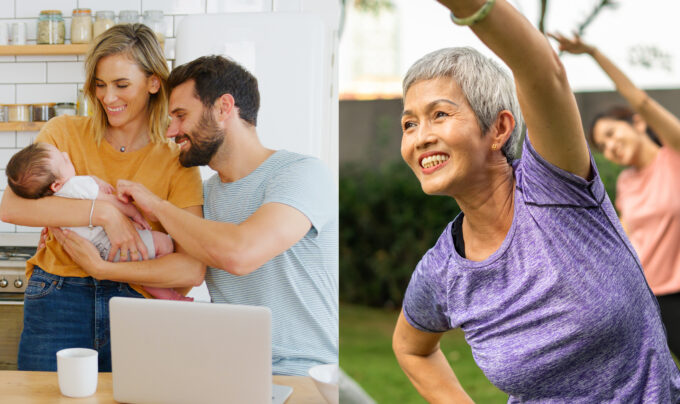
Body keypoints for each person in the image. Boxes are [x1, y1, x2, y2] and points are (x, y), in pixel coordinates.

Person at [391, 0, 680, 402]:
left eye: (439, 114)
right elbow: (410, 348)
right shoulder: (442, 271)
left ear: (499, 129)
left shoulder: (555, 190)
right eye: (409, 123)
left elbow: (541, 70)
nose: (420, 136)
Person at [53, 55, 341, 378]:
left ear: (223, 108)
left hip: (306, 374)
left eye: (180, 115)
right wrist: (80, 226)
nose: (171, 130)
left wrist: (158, 206)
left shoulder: (301, 175)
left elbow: (240, 254)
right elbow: (182, 275)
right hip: (231, 375)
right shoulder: (204, 196)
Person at [0, 24, 205, 372]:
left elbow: (191, 268)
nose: (108, 97)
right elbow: (12, 206)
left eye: (122, 85)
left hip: (139, 305)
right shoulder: (63, 132)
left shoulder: (177, 160)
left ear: (154, 82)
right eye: (99, 84)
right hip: (58, 295)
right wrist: (105, 214)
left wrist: (103, 268)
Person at [552, 32, 680, 356]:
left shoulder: (674, 154)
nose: (610, 147)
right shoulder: (625, 183)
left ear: (636, 123)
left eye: (611, 133)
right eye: (603, 146)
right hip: (652, 302)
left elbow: (642, 101)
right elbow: (626, 239)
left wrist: (594, 53)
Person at [4, 142, 191, 301]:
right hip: (112, 244)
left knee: (138, 268)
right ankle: (170, 295)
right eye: (64, 160)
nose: (66, 154)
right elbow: (114, 203)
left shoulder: (51, 200)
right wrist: (137, 216)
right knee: (165, 244)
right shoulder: (74, 185)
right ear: (55, 185)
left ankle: (166, 294)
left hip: (95, 252)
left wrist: (94, 182)